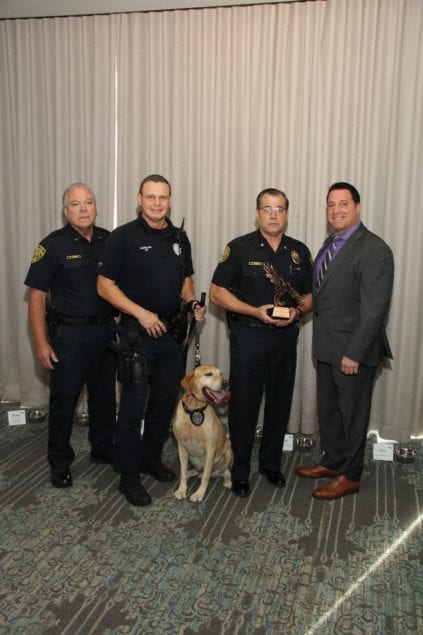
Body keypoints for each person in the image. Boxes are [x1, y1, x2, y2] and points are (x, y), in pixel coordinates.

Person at [97, 174, 206, 507]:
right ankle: (128, 474)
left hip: (172, 336)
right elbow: (104, 285)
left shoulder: (179, 237)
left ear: (170, 200)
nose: (157, 203)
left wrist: (192, 304)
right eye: (151, 197)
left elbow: (186, 280)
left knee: (162, 403)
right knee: (133, 406)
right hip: (137, 336)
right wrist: (141, 313)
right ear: (139, 199)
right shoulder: (123, 237)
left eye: (163, 197)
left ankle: (150, 457)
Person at [210, 188, 313, 497]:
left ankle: (271, 464)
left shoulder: (299, 251)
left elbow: (310, 296)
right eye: (266, 209)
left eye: (279, 209)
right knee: (244, 406)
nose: (272, 214)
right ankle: (240, 469)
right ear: (257, 213)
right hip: (249, 337)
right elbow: (217, 292)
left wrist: (298, 310)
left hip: (284, 339)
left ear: (287, 213)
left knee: (279, 404)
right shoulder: (239, 249)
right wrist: (253, 310)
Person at [295, 182, 394, 500]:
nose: (336, 210)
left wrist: (354, 353)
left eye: (343, 204)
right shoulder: (330, 243)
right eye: (330, 205)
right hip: (326, 347)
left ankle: (351, 475)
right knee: (330, 411)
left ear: (358, 207)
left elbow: (374, 310)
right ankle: (333, 461)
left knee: (352, 415)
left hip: (353, 352)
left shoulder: (374, 249)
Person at [24, 183, 117, 489]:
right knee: (64, 402)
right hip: (70, 336)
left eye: (88, 202)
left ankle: (103, 450)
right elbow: (36, 297)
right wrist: (40, 342)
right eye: (76, 204)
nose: (83, 209)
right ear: (66, 211)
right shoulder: (52, 245)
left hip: (106, 331)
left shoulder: (109, 240)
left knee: (104, 398)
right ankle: (59, 461)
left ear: (96, 207)